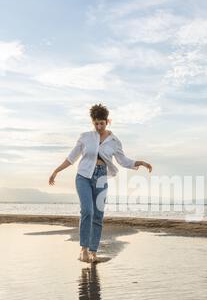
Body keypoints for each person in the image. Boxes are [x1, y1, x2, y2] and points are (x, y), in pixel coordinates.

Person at [48, 103, 152, 263]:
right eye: (95, 123)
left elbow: (123, 161)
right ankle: (83, 249)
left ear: (108, 121)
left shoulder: (114, 141)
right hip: (83, 176)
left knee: (98, 215)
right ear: (92, 122)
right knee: (87, 211)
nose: (98, 126)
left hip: (101, 178)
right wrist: (56, 171)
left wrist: (141, 162)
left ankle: (93, 251)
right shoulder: (85, 137)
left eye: (101, 123)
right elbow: (71, 158)